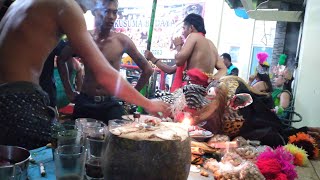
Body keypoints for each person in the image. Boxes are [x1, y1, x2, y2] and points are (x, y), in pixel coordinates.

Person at [0, 0, 169, 149]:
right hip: (19, 101)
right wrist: (149, 103)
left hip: (7, 98)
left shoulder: (18, 3)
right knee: (59, 154)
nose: (87, 11)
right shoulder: (66, 5)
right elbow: (105, 75)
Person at [58, 0, 153, 123]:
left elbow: (148, 69)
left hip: (110, 103)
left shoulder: (122, 41)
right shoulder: (83, 38)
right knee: (80, 140)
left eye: (115, 12)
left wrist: (132, 97)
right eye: (107, 12)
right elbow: (61, 60)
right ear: (95, 12)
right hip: (85, 101)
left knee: (115, 140)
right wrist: (68, 90)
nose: (111, 17)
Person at [144, 14, 226, 91]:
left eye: (183, 28)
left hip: (190, 91)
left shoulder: (193, 36)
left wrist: (178, 46)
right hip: (204, 91)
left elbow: (179, 61)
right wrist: (152, 58)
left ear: (191, 28)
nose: (182, 32)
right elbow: (223, 69)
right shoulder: (211, 45)